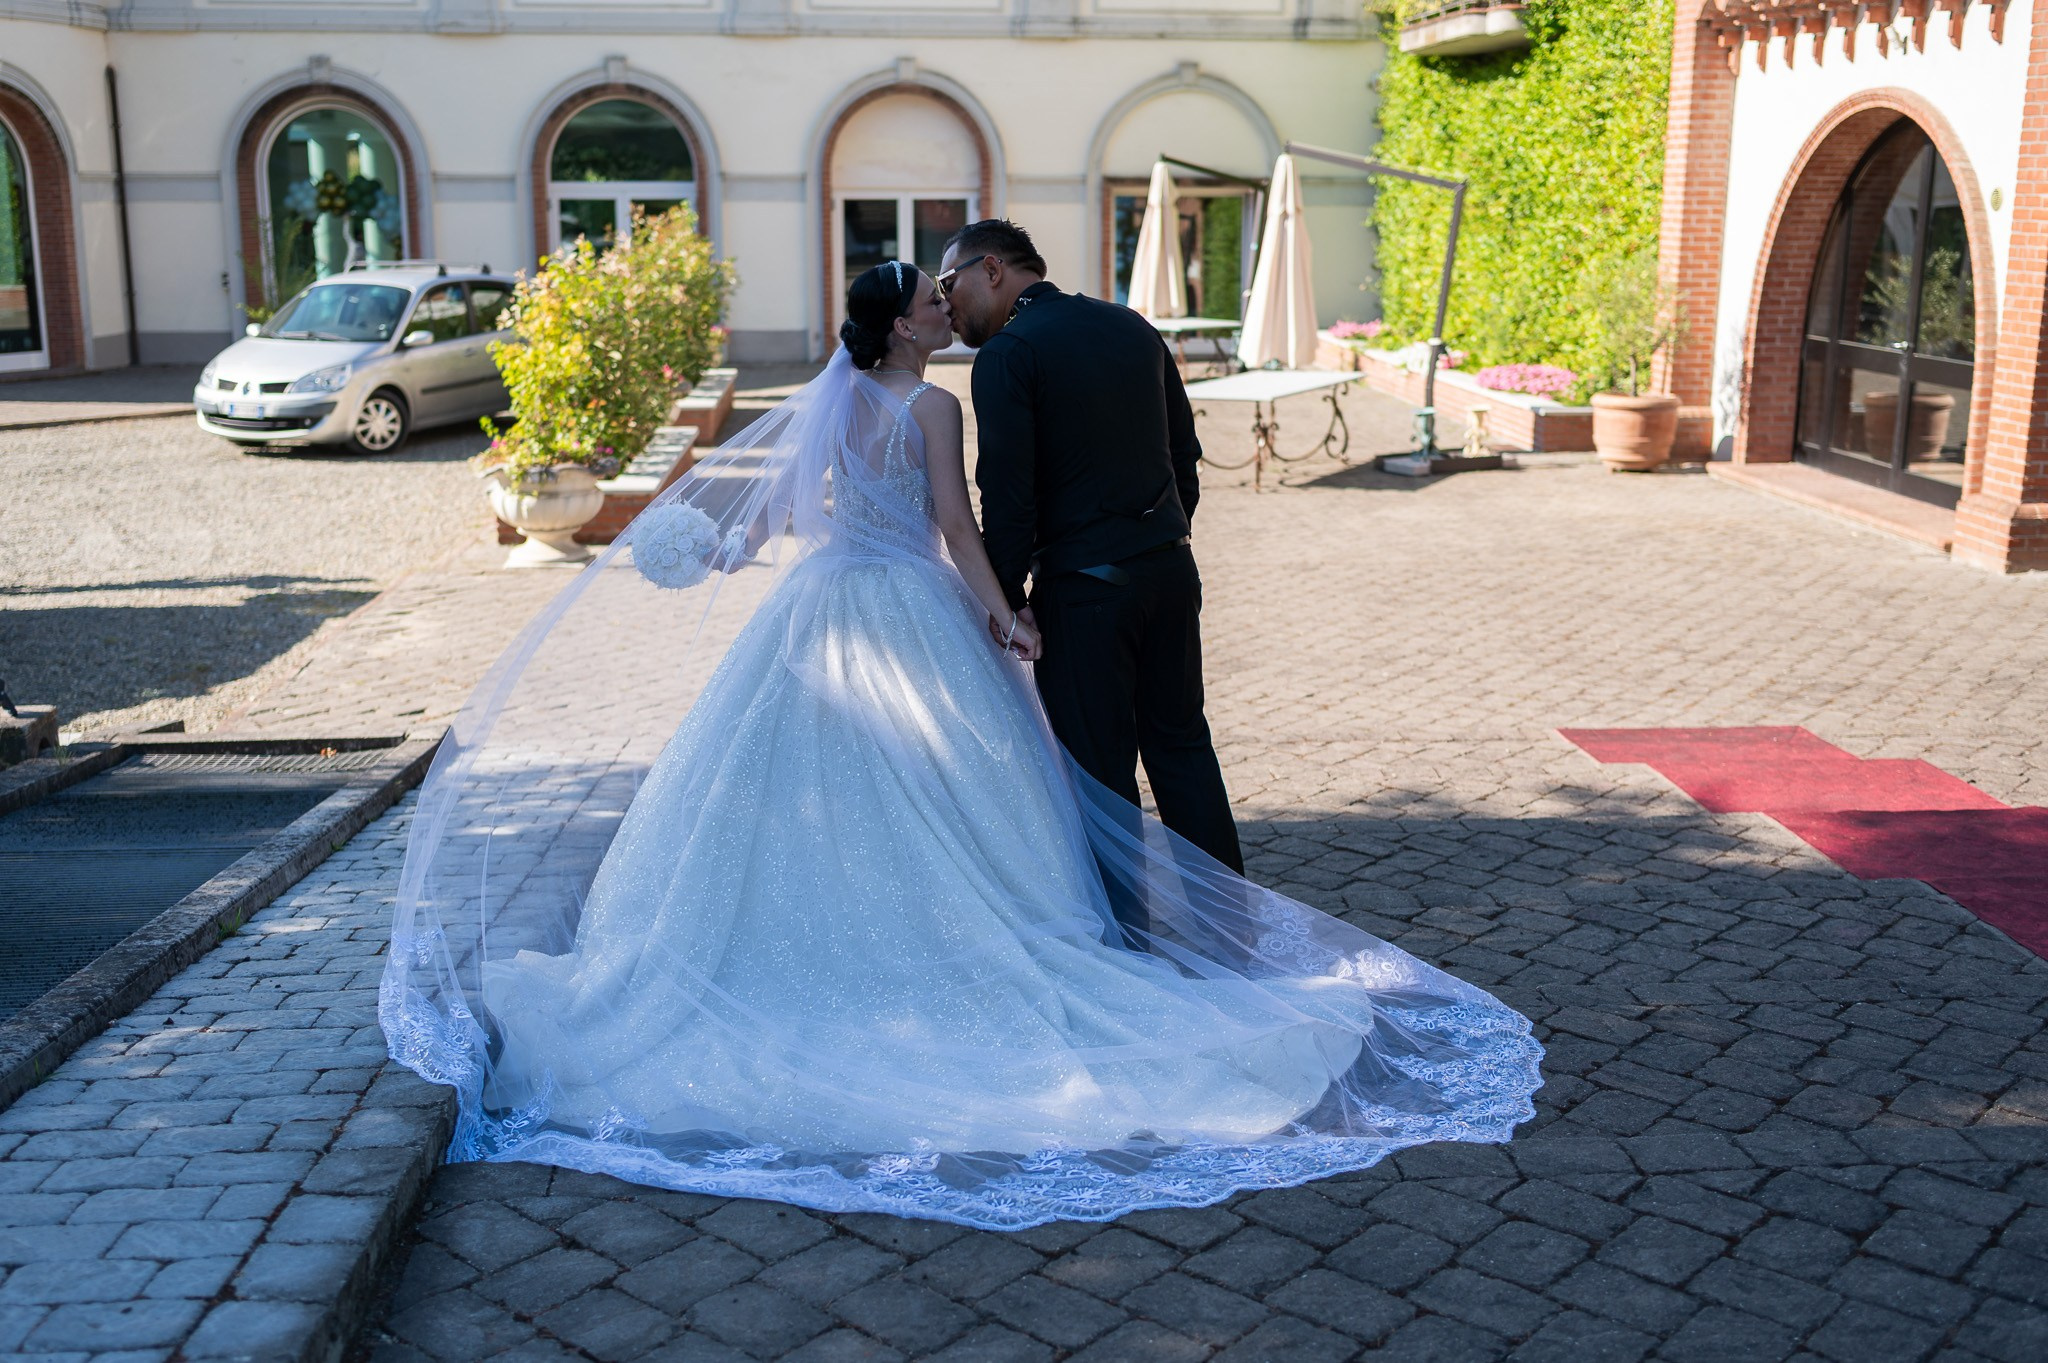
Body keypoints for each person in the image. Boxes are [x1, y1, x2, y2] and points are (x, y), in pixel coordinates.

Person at [380, 261, 1543, 1232]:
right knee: (966, 792)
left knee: (780, 785)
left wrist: (715, 554)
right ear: (897, 327)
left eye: (948, 298)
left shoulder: (834, 399)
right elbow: (956, 527)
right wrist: (1004, 613)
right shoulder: (934, 408)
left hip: (824, 608)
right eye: (929, 307)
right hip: (913, 609)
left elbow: (787, 509)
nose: (947, 313)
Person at [939, 222, 1245, 947]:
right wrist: (1163, 537)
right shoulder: (1131, 327)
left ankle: (1126, 947)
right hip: (1170, 573)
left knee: (1099, 775)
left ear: (992, 268)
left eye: (950, 286)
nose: (947, 306)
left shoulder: (1010, 354)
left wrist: (1006, 599)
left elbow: (1007, 499)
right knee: (1183, 749)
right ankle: (1233, 932)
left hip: (1084, 593)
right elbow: (1185, 455)